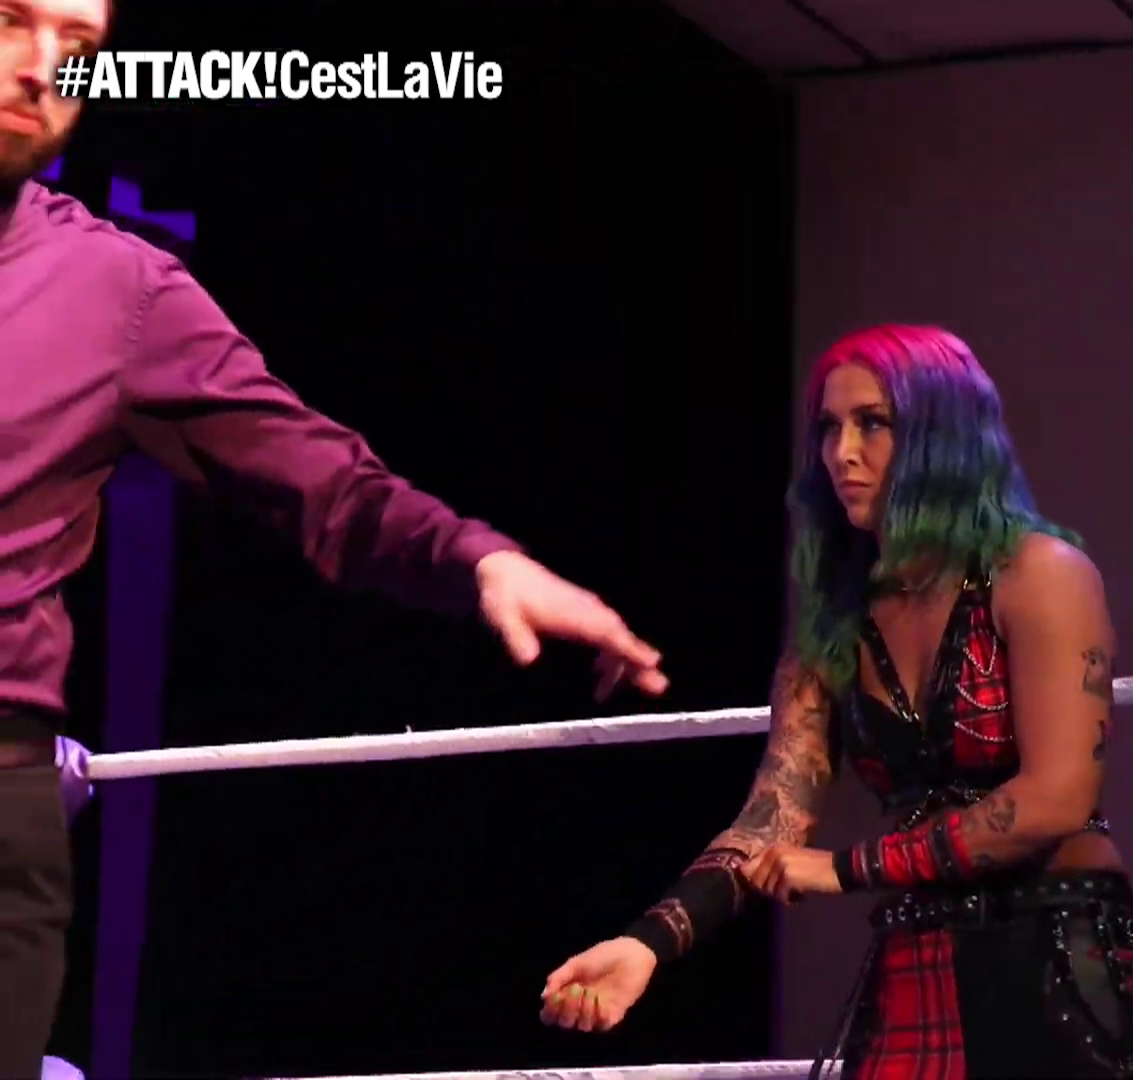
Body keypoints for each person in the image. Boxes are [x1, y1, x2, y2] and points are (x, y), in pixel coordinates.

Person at [2, 2, 669, 1076]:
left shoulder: (116, 291)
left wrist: (478, 558)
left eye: (78, 48)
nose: (44, 69)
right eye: (9, 21)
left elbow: (319, 481)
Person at [541, 325, 1133, 1080]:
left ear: (942, 436)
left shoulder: (1040, 573)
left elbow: (1056, 798)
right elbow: (770, 821)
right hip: (920, 947)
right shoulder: (834, 623)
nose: (841, 452)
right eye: (828, 427)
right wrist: (647, 943)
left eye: (872, 423)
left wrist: (846, 868)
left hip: (1059, 945)